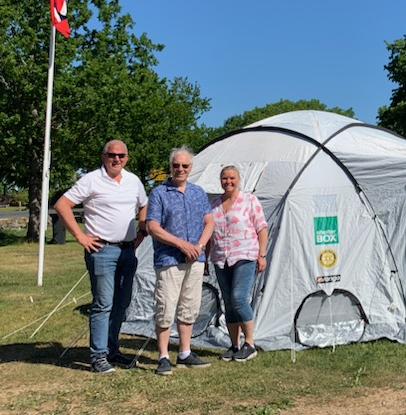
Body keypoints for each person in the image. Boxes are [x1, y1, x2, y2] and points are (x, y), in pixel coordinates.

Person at [54, 139, 148, 374]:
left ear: (127, 158)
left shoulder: (133, 180)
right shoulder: (91, 179)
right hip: (102, 250)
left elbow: (144, 205)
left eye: (121, 155)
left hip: (128, 250)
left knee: (121, 303)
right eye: (112, 155)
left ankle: (112, 351)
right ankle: (98, 356)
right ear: (103, 156)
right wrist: (80, 236)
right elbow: (62, 204)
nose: (117, 159)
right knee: (103, 303)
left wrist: (142, 230)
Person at [145, 146, 214, 376]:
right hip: (169, 258)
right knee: (165, 305)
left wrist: (199, 246)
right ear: (170, 167)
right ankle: (163, 355)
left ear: (191, 168)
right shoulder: (159, 193)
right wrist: (180, 244)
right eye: (176, 165)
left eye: (185, 166)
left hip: (195, 258)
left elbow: (209, 222)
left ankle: (184, 352)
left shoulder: (198, 192)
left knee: (189, 305)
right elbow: (152, 226)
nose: (180, 169)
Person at [208, 165, 268, 362]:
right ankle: (234, 345)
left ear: (239, 179)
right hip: (220, 258)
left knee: (239, 297)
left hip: (245, 254)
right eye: (224, 178)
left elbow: (261, 228)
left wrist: (262, 254)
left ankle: (249, 343)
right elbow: (210, 233)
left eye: (232, 178)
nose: (228, 182)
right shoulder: (215, 204)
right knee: (228, 301)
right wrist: (206, 258)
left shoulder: (249, 200)